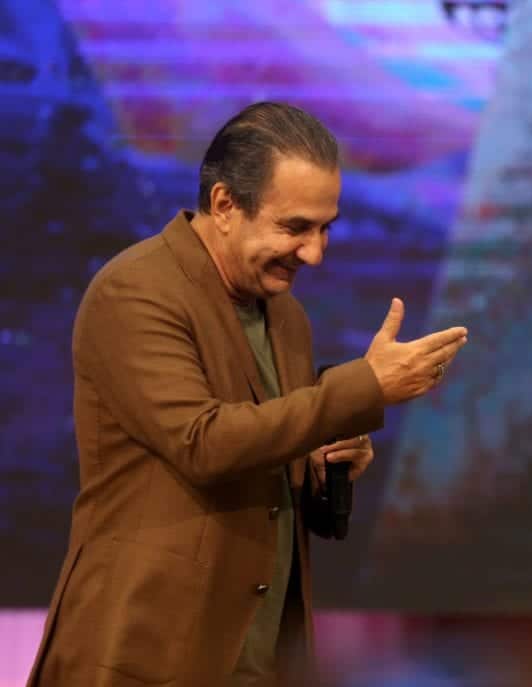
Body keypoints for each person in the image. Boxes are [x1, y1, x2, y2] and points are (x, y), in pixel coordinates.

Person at [28, 102, 468, 686]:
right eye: (295, 228)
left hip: (261, 657)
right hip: (146, 655)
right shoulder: (134, 293)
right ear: (225, 205)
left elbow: (268, 449)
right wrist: (364, 386)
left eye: (325, 228)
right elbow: (204, 442)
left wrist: (320, 463)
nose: (315, 253)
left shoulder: (286, 316)